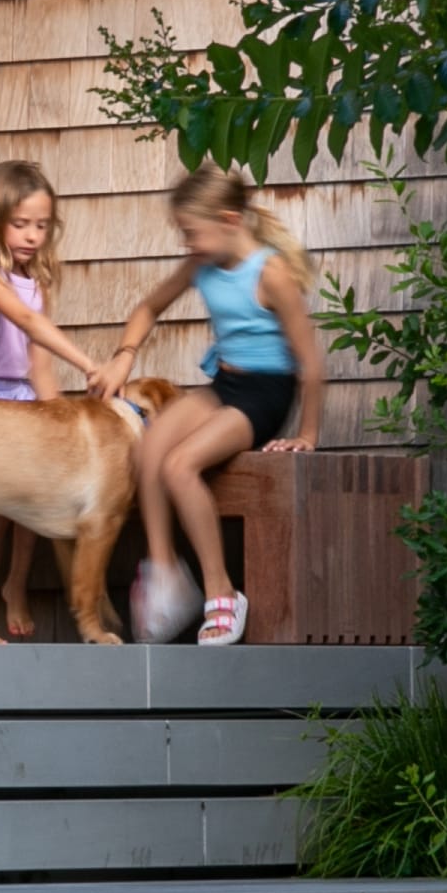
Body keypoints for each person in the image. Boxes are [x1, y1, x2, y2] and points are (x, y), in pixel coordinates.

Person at [114, 164, 327, 647]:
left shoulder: (270, 274)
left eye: (193, 233)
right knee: (147, 452)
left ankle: (221, 591)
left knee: (179, 466)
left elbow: (311, 364)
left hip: (266, 395)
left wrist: (307, 435)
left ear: (230, 220)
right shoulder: (200, 267)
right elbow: (148, 308)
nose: (188, 244)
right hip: (224, 384)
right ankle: (166, 573)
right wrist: (123, 358)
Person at [0, 159, 124, 642]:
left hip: (15, 402)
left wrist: (56, 418)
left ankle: (15, 584)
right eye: (20, 224)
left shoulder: (37, 280)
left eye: (41, 225)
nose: (32, 236)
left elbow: (36, 359)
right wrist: (89, 364)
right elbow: (28, 323)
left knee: (43, 480)